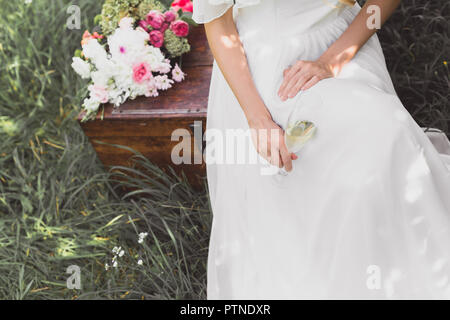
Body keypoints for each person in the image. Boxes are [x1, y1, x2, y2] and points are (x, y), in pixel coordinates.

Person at [192, 0, 450, 299]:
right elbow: (219, 23)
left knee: (388, 133)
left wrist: (332, 60)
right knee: (309, 157)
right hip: (262, 61)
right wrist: (257, 118)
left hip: (343, 36)